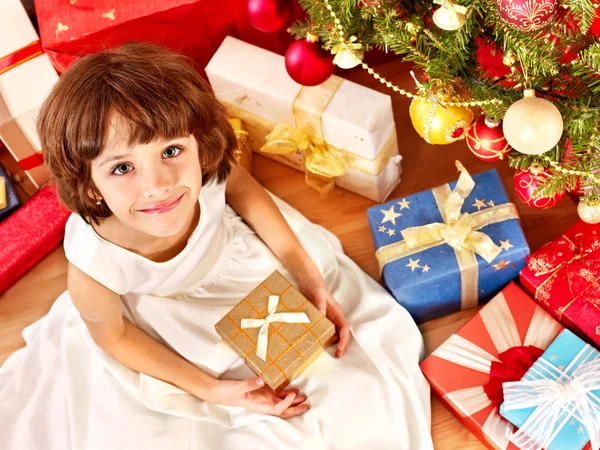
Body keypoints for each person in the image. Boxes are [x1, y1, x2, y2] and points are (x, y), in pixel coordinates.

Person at [0, 42, 432, 450]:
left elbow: (245, 191)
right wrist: (212, 389)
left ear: (198, 147)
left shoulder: (205, 173)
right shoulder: (95, 263)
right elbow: (114, 338)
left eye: (171, 150)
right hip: (167, 312)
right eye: (123, 167)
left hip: (236, 262)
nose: (159, 185)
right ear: (89, 186)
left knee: (350, 377)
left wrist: (306, 273)